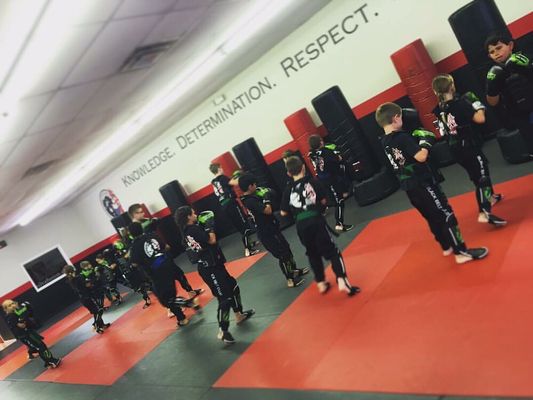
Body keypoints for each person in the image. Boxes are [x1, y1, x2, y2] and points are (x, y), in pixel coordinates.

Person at [375, 102, 489, 264]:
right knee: (445, 213)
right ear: (396, 118)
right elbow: (421, 157)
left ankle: (446, 246)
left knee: (431, 216)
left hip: (409, 188)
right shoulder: (402, 137)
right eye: (401, 116)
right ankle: (461, 252)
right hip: (423, 183)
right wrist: (426, 141)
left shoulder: (384, 141)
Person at [431, 74, 506, 226]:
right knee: (482, 176)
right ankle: (484, 212)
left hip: (455, 149)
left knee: (475, 174)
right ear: (452, 86)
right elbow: (480, 119)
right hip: (468, 146)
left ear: (435, 92)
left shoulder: (437, 110)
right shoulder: (460, 103)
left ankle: (490, 197)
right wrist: (477, 104)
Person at [280, 156, 360, 296]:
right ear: (303, 167)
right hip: (315, 221)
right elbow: (323, 201)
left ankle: (321, 283)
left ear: (288, 173)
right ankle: (342, 281)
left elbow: (283, 212)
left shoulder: (288, 189)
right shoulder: (313, 182)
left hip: (301, 226)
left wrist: (296, 211)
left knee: (312, 253)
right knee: (332, 252)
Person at [175, 206, 255, 344]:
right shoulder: (193, 230)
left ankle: (238, 314)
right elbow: (211, 240)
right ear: (188, 216)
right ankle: (223, 330)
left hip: (214, 265)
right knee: (224, 298)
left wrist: (203, 227)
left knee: (233, 286)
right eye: (193, 213)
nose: (196, 214)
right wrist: (210, 226)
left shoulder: (188, 231)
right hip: (210, 269)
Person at [239, 172, 309, 288]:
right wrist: (266, 198)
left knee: (286, 249)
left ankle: (294, 270)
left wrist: (267, 194)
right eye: (254, 185)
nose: (256, 186)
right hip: (267, 233)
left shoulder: (251, 197)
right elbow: (268, 210)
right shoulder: (249, 201)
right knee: (283, 255)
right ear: (250, 186)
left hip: (272, 228)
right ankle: (290, 279)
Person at [128, 222, 202, 327]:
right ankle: (182, 318)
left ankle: (188, 304)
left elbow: (134, 263)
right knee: (171, 295)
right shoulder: (152, 235)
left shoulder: (134, 246)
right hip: (168, 264)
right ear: (141, 228)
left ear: (131, 234)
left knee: (166, 299)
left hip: (157, 272)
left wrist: (145, 259)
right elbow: (167, 247)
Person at [484, 33, 533, 154]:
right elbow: (492, 102)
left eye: (499, 48)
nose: (496, 53)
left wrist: (528, 68)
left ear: (510, 45)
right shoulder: (494, 73)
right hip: (520, 115)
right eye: (492, 51)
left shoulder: (526, 59)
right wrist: (492, 85)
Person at [209, 163, 259, 257]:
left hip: (224, 206)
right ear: (219, 169)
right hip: (231, 205)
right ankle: (248, 249)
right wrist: (241, 176)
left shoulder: (214, 182)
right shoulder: (223, 178)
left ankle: (250, 243)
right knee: (244, 225)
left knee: (240, 225)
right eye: (221, 168)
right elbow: (236, 183)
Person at [307, 135, 353, 232]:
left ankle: (338, 221)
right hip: (329, 179)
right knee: (339, 201)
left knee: (338, 199)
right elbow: (335, 162)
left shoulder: (311, 154)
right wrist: (338, 159)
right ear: (320, 142)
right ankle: (339, 223)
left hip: (322, 179)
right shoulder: (326, 152)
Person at [2, 300, 61, 368]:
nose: (12, 305)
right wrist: (22, 318)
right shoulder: (11, 316)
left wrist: (29, 308)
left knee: (40, 346)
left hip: (29, 332)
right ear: (6, 309)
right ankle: (50, 361)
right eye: (9, 305)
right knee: (40, 346)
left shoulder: (18, 311)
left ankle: (45, 360)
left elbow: (30, 315)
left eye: (12, 303)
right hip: (25, 335)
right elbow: (22, 326)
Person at [64, 262, 111, 333]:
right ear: (72, 270)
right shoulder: (78, 278)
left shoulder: (70, 281)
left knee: (95, 311)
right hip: (88, 297)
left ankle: (101, 325)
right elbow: (87, 285)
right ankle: (96, 325)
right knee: (98, 310)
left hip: (83, 299)